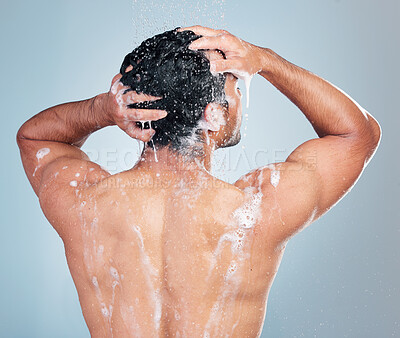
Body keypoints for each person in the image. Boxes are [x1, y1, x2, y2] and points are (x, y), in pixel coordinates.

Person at [17, 26, 381, 337]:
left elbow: (36, 138)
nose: (241, 99)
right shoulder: (254, 211)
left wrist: (101, 109)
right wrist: (266, 60)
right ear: (215, 113)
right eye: (237, 88)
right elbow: (356, 134)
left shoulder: (85, 205)